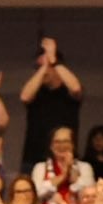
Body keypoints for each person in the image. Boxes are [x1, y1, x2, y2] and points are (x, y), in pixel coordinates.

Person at [17, 36, 83, 175]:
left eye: (47, 67)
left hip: (66, 158)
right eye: (38, 67)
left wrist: (54, 61)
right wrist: (45, 66)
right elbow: (24, 96)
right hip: (33, 159)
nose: (42, 70)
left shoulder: (68, 90)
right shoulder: (37, 91)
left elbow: (76, 88)